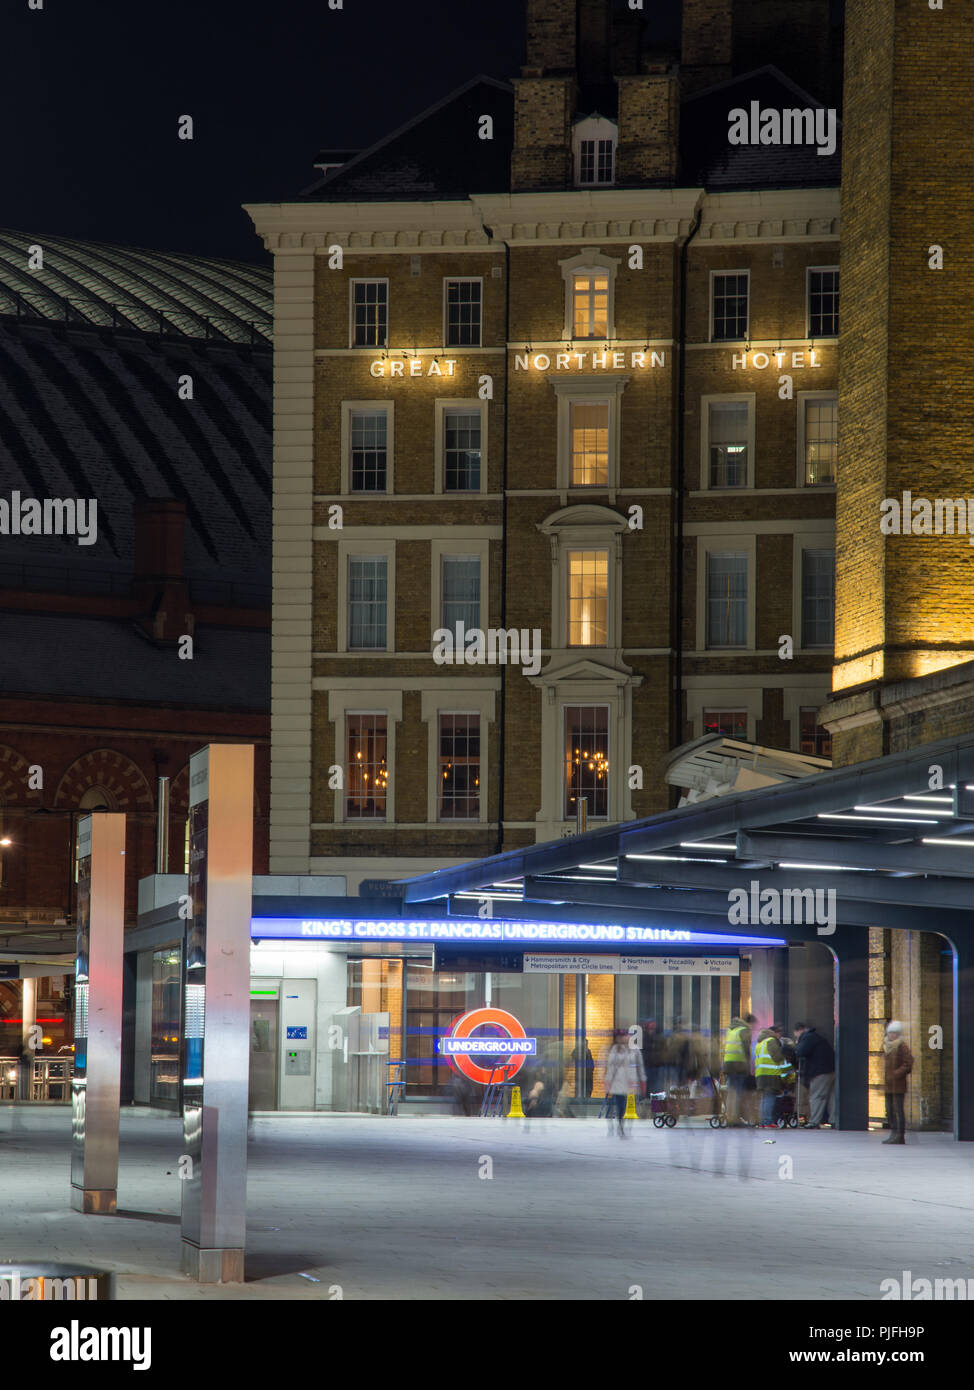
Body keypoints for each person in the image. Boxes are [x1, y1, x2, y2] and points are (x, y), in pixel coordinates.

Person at [599, 1028, 646, 1138]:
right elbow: (604, 1065)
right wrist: (604, 1079)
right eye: (619, 1037)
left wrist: (642, 1080)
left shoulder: (633, 1049)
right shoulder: (610, 1049)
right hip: (614, 1082)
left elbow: (639, 1066)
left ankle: (621, 1126)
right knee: (616, 1104)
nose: (622, 1038)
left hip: (628, 1082)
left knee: (623, 1105)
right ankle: (615, 1125)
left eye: (624, 1036)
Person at [794, 1021, 835, 1128]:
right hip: (830, 1070)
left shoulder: (808, 1037)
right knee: (831, 1097)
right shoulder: (817, 1037)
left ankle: (814, 1121)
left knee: (816, 1096)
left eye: (796, 1034)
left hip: (819, 1072)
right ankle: (834, 1120)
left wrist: (797, 1044)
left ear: (800, 1030)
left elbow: (800, 1052)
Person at [754, 1022, 794, 1128]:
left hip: (761, 1075)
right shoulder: (771, 1041)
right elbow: (777, 1057)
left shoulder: (760, 1043)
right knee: (769, 1098)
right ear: (774, 1033)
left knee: (765, 1098)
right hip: (771, 1075)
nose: (780, 1036)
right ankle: (767, 1121)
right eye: (779, 1034)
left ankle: (763, 1122)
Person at [882, 1021, 913, 1145]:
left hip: (898, 1084)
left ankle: (900, 1135)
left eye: (894, 1033)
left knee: (898, 1109)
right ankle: (893, 1132)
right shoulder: (885, 1046)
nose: (892, 1035)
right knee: (889, 1109)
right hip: (888, 1084)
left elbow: (908, 1063)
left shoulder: (902, 1046)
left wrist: (896, 1074)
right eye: (890, 1033)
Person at [722, 1014, 756, 1126]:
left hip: (728, 1064)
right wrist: (748, 1065)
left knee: (731, 1092)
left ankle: (729, 1117)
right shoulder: (744, 1030)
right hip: (739, 1064)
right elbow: (746, 1050)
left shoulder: (731, 1030)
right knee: (738, 1092)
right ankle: (734, 1118)